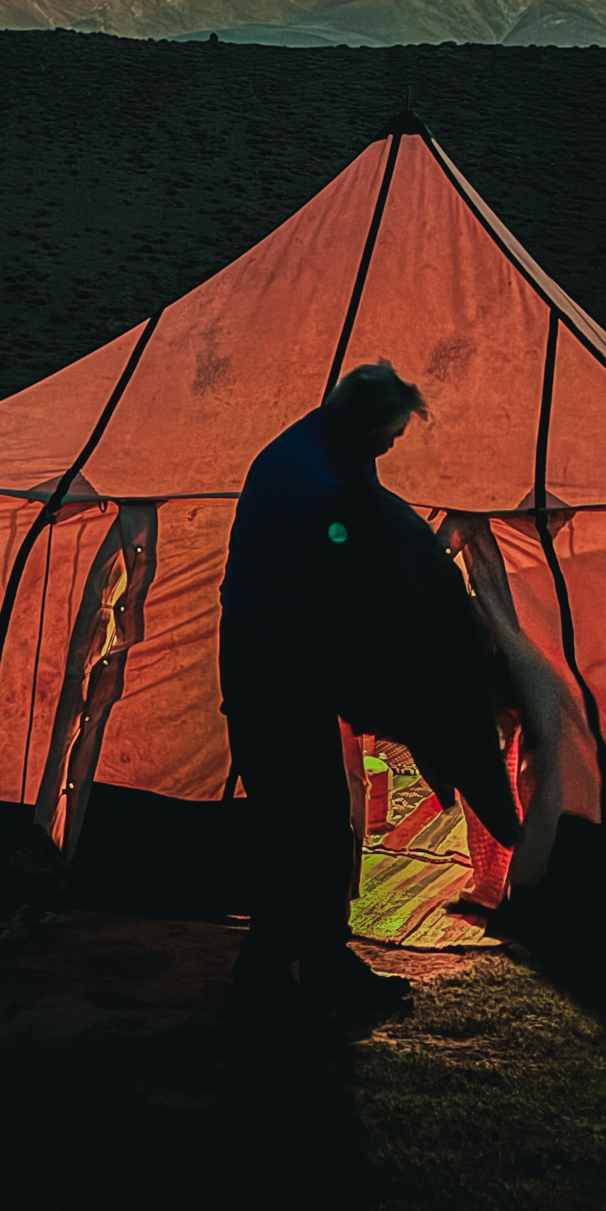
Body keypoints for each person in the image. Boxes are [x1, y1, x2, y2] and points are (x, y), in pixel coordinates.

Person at [220, 359, 433, 1014]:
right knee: (299, 817)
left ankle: (316, 958)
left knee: (317, 815)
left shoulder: (337, 454)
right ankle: (273, 968)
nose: (391, 448)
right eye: (389, 436)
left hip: (295, 660)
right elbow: (324, 579)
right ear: (365, 427)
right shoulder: (303, 478)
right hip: (272, 664)